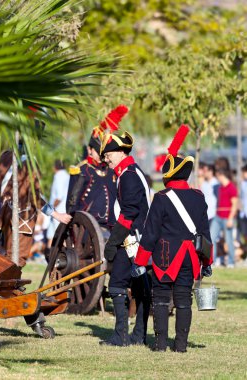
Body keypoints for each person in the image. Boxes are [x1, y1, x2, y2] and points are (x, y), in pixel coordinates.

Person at [132, 125, 213, 353]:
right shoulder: (198, 197)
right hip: (190, 257)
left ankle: (160, 345)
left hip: (165, 256)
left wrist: (139, 262)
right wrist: (207, 262)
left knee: (160, 300)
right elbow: (204, 233)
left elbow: (150, 233)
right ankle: (181, 346)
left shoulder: (161, 197)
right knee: (184, 301)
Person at [100, 105, 151, 347]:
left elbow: (129, 214)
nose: (105, 158)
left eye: (108, 154)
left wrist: (112, 242)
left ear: (119, 152)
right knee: (140, 287)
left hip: (131, 240)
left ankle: (122, 336)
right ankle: (138, 335)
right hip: (136, 238)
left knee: (118, 285)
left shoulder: (129, 175)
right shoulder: (129, 172)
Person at [0, 149, 72, 268]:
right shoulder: (29, 162)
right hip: (23, 217)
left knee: (6, 257)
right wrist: (56, 215)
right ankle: (9, 286)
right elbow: (35, 196)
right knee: (16, 261)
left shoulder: (6, 156)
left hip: (4, 215)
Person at [210, 168, 238, 268]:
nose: (217, 178)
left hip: (227, 217)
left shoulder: (231, 187)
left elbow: (234, 204)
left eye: (218, 176)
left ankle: (231, 261)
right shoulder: (220, 187)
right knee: (211, 238)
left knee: (229, 239)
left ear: (222, 175)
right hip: (218, 216)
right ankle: (211, 261)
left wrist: (231, 219)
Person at [46, 159, 70, 247]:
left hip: (58, 210)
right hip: (64, 208)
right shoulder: (67, 175)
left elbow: (58, 197)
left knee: (57, 235)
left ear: (55, 167)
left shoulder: (58, 176)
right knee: (52, 233)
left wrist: (51, 208)